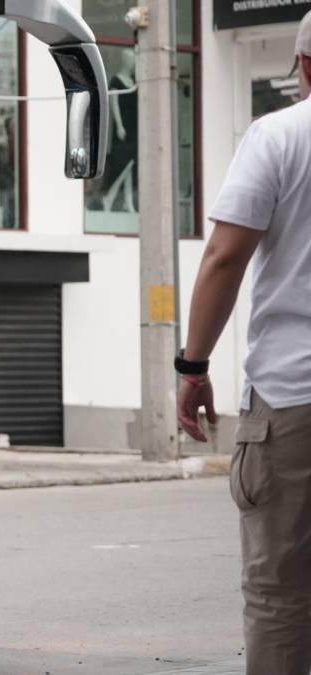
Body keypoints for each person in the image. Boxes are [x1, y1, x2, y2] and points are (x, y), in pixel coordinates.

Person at [176, 12, 311, 674]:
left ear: (305, 66)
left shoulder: (281, 135)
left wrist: (193, 365)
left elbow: (225, 257)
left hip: (294, 399)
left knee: (280, 594)